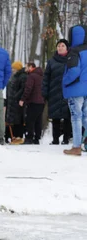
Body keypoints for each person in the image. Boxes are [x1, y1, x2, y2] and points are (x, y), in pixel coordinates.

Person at [62, 25, 87, 156]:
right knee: (85, 117)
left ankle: (76, 146)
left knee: (76, 117)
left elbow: (74, 71)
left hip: (75, 89)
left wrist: (64, 80)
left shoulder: (74, 52)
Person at [42, 39, 72, 145]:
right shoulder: (51, 61)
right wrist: (44, 92)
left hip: (68, 92)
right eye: (58, 46)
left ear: (67, 48)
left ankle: (66, 138)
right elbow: (46, 77)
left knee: (67, 116)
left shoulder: (71, 59)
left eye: (62, 46)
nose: (60, 47)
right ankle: (55, 139)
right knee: (55, 117)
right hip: (54, 92)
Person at [19, 62, 45, 145]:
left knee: (30, 120)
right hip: (41, 101)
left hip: (33, 101)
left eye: (26, 67)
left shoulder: (31, 76)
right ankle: (37, 138)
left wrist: (22, 99)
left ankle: (29, 138)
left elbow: (28, 89)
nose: (25, 69)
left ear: (30, 67)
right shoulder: (41, 75)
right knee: (38, 120)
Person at [5, 61, 27, 143]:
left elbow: (22, 89)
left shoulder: (23, 76)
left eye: (14, 68)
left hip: (17, 101)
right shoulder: (14, 76)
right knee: (11, 119)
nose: (12, 70)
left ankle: (18, 136)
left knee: (18, 119)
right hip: (11, 101)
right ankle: (11, 136)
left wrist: (15, 97)